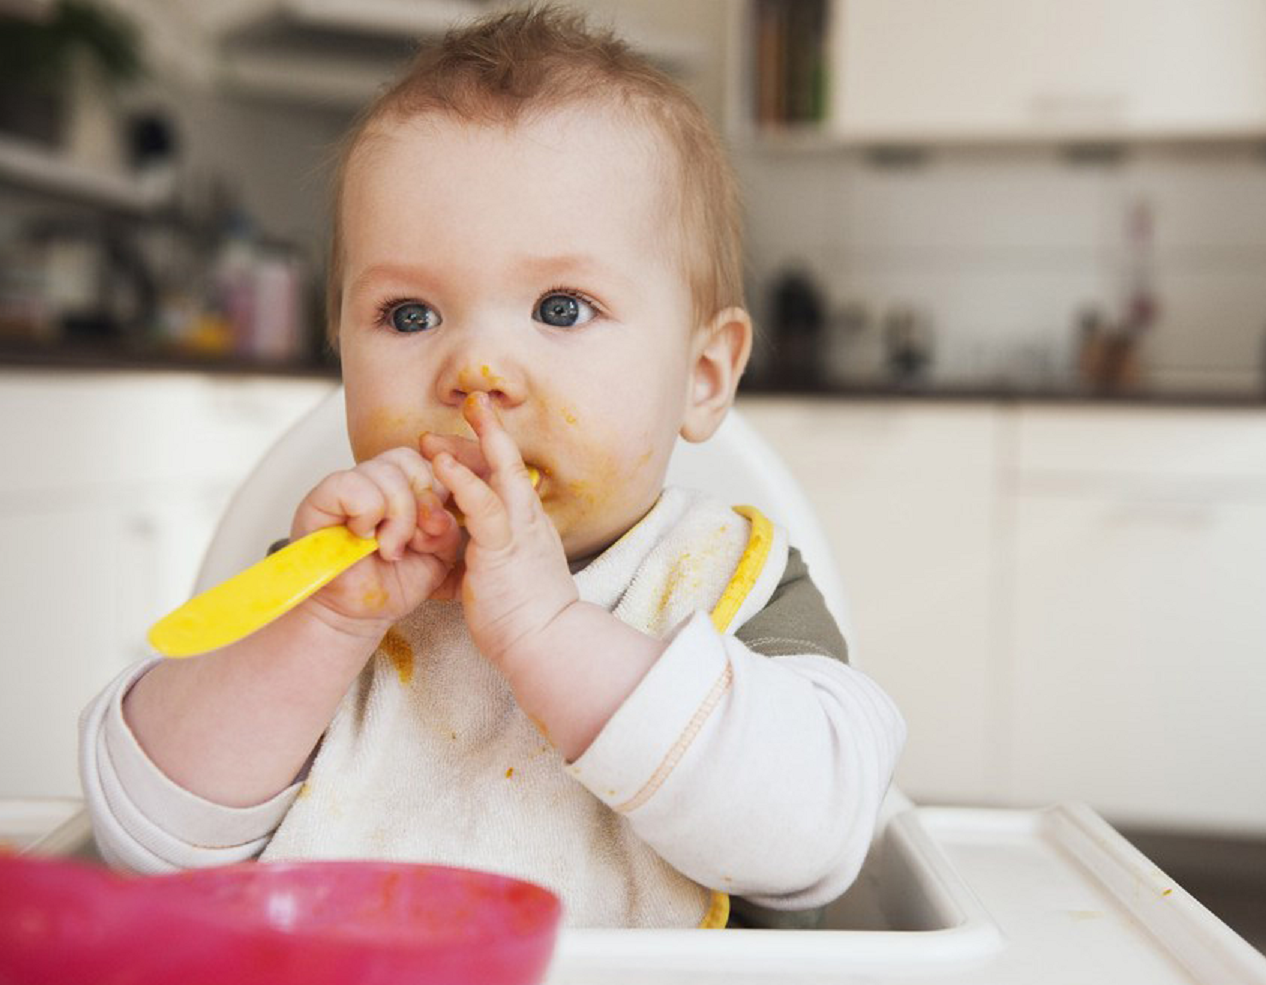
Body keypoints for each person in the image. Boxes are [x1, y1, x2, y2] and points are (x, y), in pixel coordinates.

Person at [80, 5, 904, 929]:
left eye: (560, 308)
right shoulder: (327, 589)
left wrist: (550, 632)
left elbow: (823, 833)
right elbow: (143, 838)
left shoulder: (729, 583)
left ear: (703, 376)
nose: (474, 370)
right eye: (408, 315)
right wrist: (314, 630)